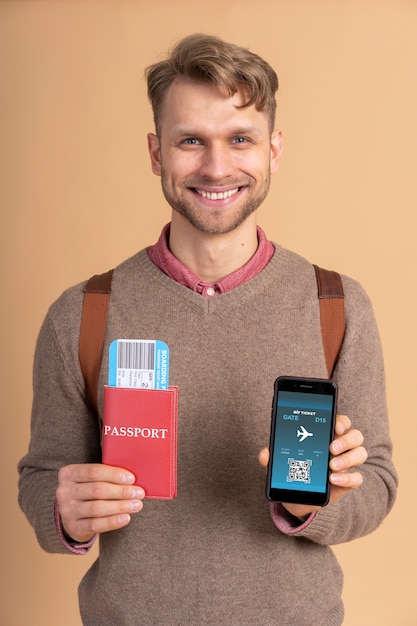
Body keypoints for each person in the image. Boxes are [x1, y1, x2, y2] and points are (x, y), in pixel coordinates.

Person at [18, 33, 397, 625]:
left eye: (239, 139)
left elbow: (377, 485)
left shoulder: (337, 304)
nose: (217, 166)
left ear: (273, 150)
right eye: (191, 140)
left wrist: (310, 503)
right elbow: (43, 480)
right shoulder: (83, 313)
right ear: (155, 152)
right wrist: (63, 511)